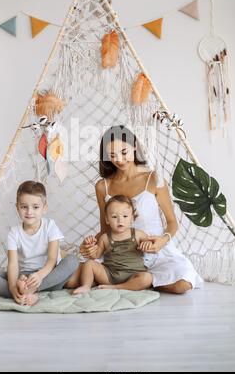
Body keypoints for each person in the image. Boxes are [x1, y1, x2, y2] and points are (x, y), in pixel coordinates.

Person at [68, 125, 203, 294]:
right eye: (112, 155)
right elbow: (105, 229)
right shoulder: (103, 186)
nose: (119, 159)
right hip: (119, 255)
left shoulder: (153, 178)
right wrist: (91, 247)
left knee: (183, 284)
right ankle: (131, 280)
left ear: (134, 147)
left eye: (124, 152)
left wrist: (162, 241)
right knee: (71, 280)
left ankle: (138, 280)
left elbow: (172, 222)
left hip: (155, 252)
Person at [0, 180, 78, 306]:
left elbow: (52, 260)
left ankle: (29, 291)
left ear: (44, 208)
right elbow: (13, 264)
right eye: (24, 207)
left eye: (35, 207)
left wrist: (39, 276)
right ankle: (22, 292)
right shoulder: (14, 233)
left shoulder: (50, 226)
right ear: (17, 207)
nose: (29, 212)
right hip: (23, 277)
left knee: (72, 260)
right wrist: (12, 286)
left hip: (47, 276)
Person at [72, 195, 154, 294]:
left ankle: (116, 287)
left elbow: (151, 244)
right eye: (114, 217)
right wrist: (90, 244)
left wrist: (147, 244)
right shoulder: (105, 238)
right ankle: (86, 286)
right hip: (109, 275)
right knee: (89, 264)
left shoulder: (138, 234)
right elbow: (95, 256)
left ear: (132, 218)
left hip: (134, 275)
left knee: (147, 278)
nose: (120, 220)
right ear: (107, 219)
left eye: (125, 216)